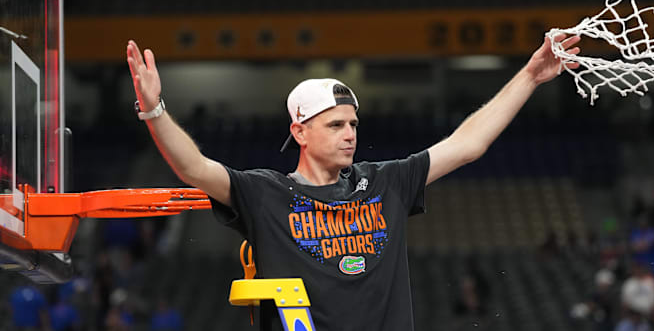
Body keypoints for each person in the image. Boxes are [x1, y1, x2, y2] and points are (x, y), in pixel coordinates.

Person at [125, 33, 581, 331]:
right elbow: (194, 168)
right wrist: (154, 109)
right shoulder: (265, 193)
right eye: (336, 125)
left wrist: (530, 76)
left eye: (353, 124)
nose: (350, 134)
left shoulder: (386, 182)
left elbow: (469, 143)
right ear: (299, 132)